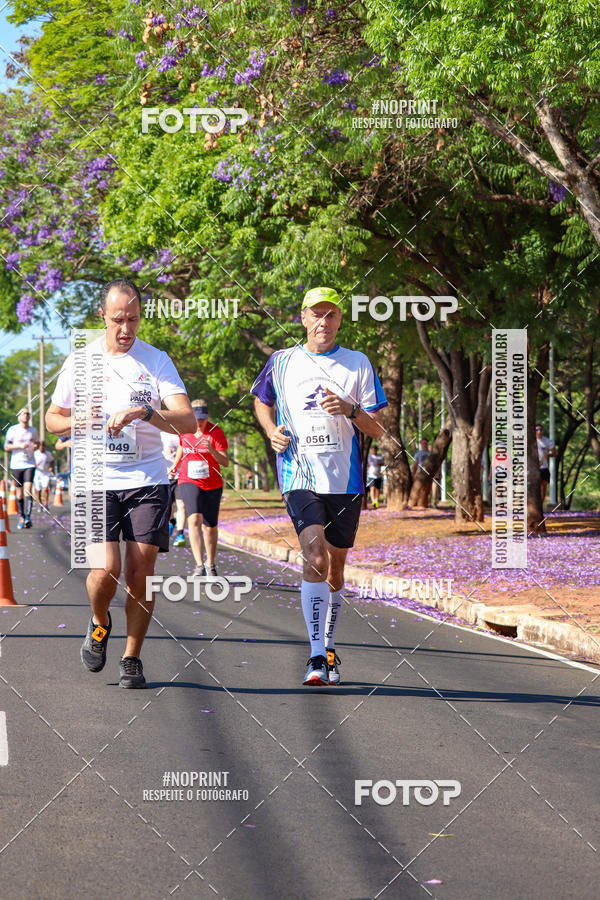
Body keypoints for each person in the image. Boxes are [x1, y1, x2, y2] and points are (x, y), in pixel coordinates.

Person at [46, 277, 196, 689]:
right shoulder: (81, 362)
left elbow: (188, 421)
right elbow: (51, 420)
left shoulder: (156, 360)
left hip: (148, 478)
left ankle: (132, 657)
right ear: (103, 317)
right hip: (96, 478)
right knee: (105, 570)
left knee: (141, 570)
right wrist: (78, 421)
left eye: (133, 319)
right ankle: (99, 621)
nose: (126, 328)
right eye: (118, 320)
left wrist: (144, 413)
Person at [252, 286, 387, 686]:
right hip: (299, 476)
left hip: (344, 481)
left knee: (336, 567)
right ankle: (315, 656)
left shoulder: (357, 363)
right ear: (303, 318)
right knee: (315, 557)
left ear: (339, 320)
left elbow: (378, 429)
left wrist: (350, 409)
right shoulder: (281, 362)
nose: (323, 322)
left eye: (331, 315)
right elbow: (261, 401)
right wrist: (269, 429)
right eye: (316, 314)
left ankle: (328, 645)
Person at [169, 399, 229, 577]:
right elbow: (181, 446)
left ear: (207, 416)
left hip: (212, 483)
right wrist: (175, 465)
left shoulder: (216, 432)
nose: (200, 422)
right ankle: (198, 564)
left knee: (209, 526)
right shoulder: (185, 430)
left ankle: (210, 564)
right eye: (197, 418)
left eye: (203, 418)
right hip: (188, 479)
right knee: (193, 518)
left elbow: (225, 462)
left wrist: (211, 450)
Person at [4, 408, 39, 529]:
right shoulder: (12, 430)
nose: (26, 415)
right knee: (19, 494)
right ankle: (22, 516)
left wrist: (35, 446)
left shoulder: (33, 430)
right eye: (23, 413)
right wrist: (19, 445)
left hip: (30, 463)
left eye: (28, 414)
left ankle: (28, 516)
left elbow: (37, 443)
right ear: (18, 416)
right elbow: (6, 447)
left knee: (28, 489)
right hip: (16, 465)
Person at [536, 424, 556, 503]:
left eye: (540, 429)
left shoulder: (547, 441)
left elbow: (554, 454)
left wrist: (548, 455)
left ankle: (540, 505)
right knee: (533, 487)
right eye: (537, 430)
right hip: (534, 468)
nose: (539, 431)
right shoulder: (530, 441)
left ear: (543, 431)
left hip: (544, 467)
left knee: (543, 486)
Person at [33, 440, 55, 508]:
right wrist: (35, 465)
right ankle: (40, 504)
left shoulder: (48, 454)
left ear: (45, 447)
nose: (42, 448)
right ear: (38, 447)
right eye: (41, 447)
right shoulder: (35, 454)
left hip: (46, 473)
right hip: (37, 473)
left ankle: (46, 503)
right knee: (38, 490)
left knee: (45, 489)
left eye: (43, 447)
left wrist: (51, 467)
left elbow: (52, 461)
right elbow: (31, 463)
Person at [411, 438, 432, 507]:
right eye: (423, 443)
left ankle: (429, 504)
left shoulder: (430, 454)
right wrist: (413, 474)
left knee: (428, 489)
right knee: (419, 488)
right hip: (419, 472)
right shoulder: (418, 454)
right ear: (421, 445)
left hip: (429, 473)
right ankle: (418, 503)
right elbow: (415, 465)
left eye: (425, 443)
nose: (424, 445)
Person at [366, 443, 384, 508]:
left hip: (378, 475)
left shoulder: (380, 456)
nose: (373, 451)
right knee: (372, 488)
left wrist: (380, 464)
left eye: (375, 450)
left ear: (376, 450)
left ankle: (376, 500)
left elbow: (384, 463)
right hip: (370, 475)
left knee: (378, 489)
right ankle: (373, 501)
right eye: (372, 450)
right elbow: (366, 464)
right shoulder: (368, 456)